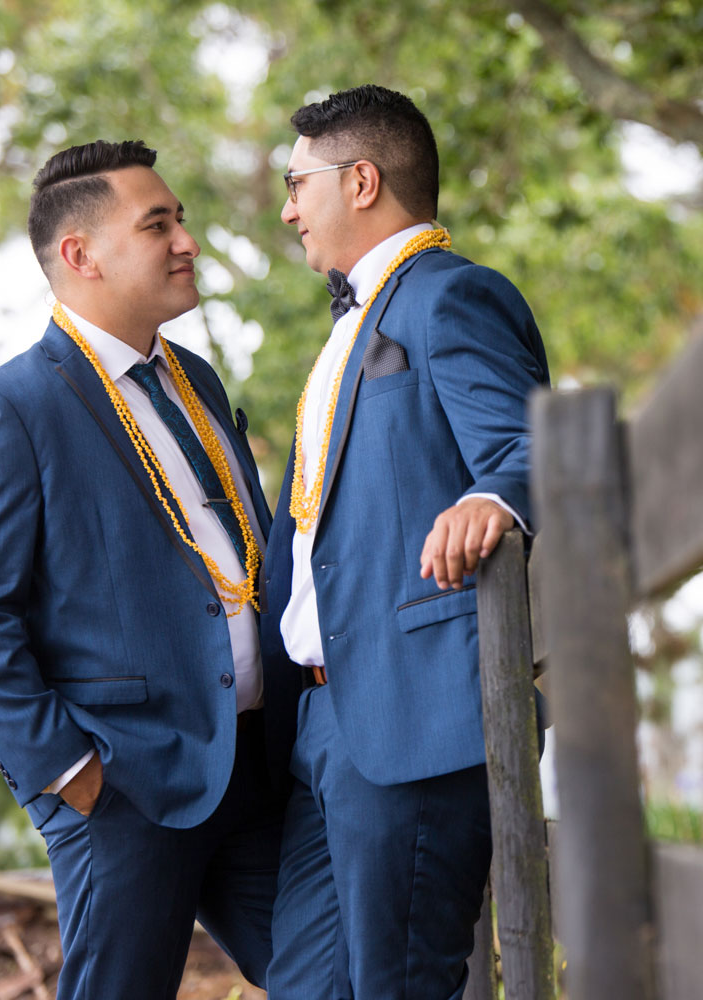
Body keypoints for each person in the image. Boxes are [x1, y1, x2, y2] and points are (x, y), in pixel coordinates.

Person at [0, 139, 287, 999]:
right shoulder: (9, 408)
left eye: (182, 221)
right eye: (157, 224)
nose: (186, 242)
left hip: (261, 770)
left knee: (337, 978)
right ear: (80, 255)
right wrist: (68, 773)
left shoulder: (193, 378)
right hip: (123, 787)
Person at [262, 85, 550, 999]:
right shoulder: (348, 327)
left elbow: (526, 443)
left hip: (414, 716)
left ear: (361, 181)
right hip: (318, 724)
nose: (286, 206)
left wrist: (495, 499)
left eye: (296, 181)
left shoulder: (451, 296)